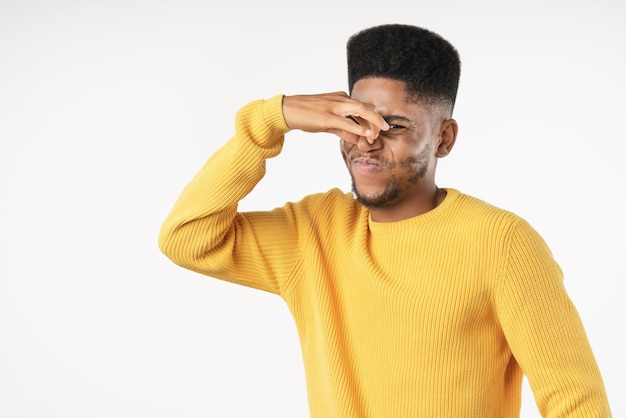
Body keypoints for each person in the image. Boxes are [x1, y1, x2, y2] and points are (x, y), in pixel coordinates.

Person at [158, 24, 611, 417]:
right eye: (356, 120)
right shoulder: (314, 232)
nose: (367, 142)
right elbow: (187, 238)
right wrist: (268, 121)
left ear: (444, 138)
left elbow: (575, 401)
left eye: (393, 125)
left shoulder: (502, 242)